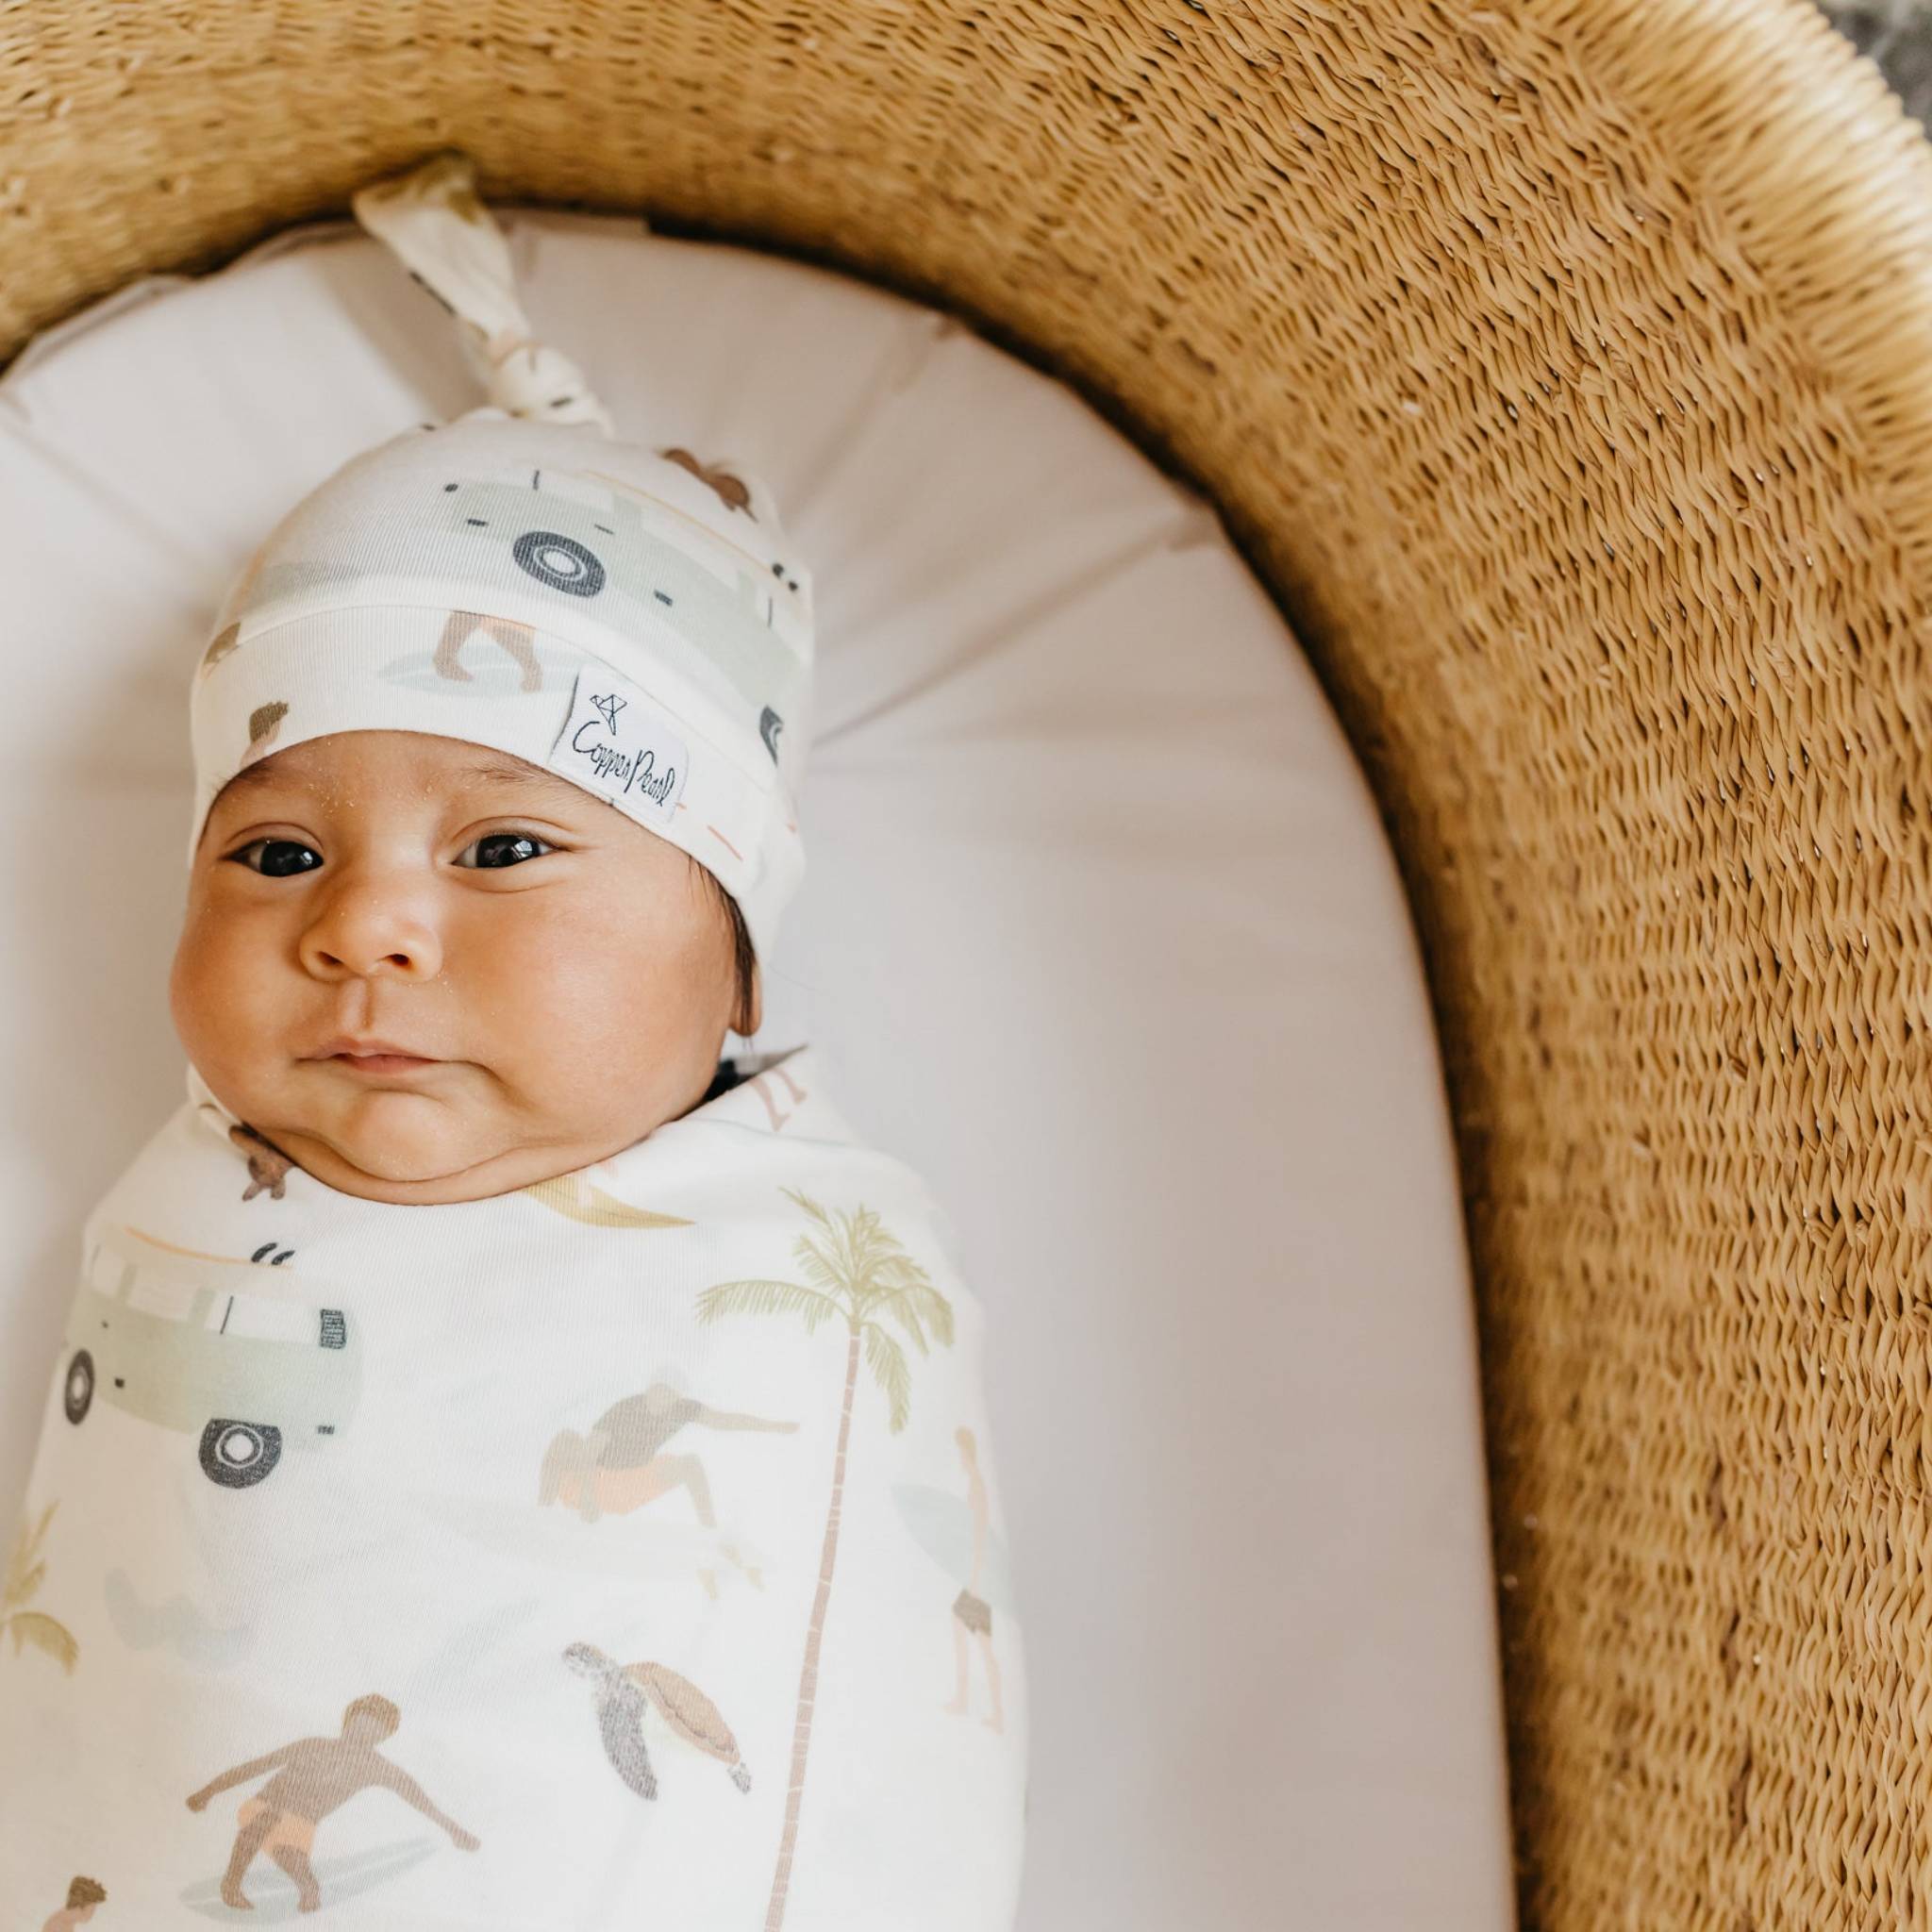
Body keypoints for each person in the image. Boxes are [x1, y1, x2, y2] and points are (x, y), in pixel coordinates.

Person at [0, 149, 1026, 1928]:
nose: (364, 926)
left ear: (737, 965)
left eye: (502, 851)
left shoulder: (817, 1262)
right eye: (277, 854)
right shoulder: (183, 1225)